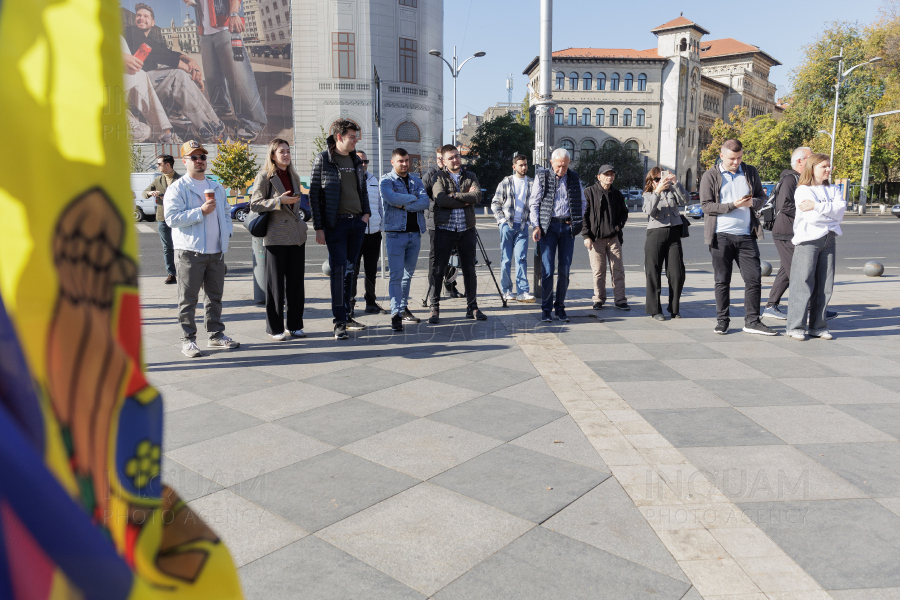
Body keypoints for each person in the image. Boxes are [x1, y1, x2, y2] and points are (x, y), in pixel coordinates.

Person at [163, 140, 239, 357]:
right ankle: (188, 340)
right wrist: (200, 212)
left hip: (216, 252)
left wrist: (226, 233)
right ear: (184, 161)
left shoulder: (216, 186)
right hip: (190, 252)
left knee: (214, 297)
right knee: (188, 299)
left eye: (202, 157)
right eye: (194, 157)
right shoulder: (177, 188)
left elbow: (225, 212)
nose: (199, 161)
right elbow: (171, 218)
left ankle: (215, 335)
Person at [699, 139, 776, 336]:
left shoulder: (750, 171)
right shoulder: (710, 175)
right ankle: (722, 321)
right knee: (722, 280)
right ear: (722, 155)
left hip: (746, 235)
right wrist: (733, 205)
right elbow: (706, 206)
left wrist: (753, 203)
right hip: (720, 235)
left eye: (740, 158)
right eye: (732, 158)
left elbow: (762, 197)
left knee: (754, 279)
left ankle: (752, 321)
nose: (736, 162)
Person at [123, 3, 226, 142]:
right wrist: (188, 69)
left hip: (144, 88)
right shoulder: (130, 32)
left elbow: (167, 52)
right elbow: (157, 54)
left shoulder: (150, 39)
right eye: (138, 15)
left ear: (153, 22)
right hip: (131, 89)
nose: (141, 18)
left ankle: (211, 130)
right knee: (178, 76)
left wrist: (188, 59)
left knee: (178, 75)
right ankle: (214, 131)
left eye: (146, 16)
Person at [309, 120, 371, 340]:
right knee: (337, 272)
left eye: (356, 136)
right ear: (339, 137)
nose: (356, 140)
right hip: (335, 225)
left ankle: (347, 314)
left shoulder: (355, 159)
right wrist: (318, 227)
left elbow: (362, 188)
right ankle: (339, 322)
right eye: (353, 136)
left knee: (351, 271)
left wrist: (366, 214)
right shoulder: (324, 159)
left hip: (357, 223)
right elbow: (314, 195)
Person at [764, 147, 839, 323]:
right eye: (811, 158)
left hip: (794, 231)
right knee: (800, 274)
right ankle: (813, 310)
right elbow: (784, 205)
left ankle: (770, 306)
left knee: (786, 269)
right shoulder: (791, 179)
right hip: (785, 231)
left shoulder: (803, 180)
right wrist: (808, 213)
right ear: (800, 162)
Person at [184, 0, 267, 141]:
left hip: (226, 27)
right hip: (205, 32)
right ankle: (222, 108)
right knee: (211, 76)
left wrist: (234, 13)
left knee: (238, 76)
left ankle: (252, 123)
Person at [250, 138, 308, 340]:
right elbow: (255, 204)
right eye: (281, 151)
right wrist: (278, 201)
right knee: (275, 285)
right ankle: (275, 328)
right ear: (273, 155)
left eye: (288, 151)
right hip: (275, 236)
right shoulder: (265, 177)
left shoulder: (294, 176)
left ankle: (295, 325)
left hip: (295, 235)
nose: (286, 154)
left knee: (296, 283)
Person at [785, 154, 845, 341]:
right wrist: (829, 211)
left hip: (829, 239)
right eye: (824, 166)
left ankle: (818, 326)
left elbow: (840, 211)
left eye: (829, 166)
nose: (828, 169)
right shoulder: (803, 190)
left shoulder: (834, 189)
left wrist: (817, 206)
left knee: (825, 284)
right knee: (802, 283)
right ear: (812, 168)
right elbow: (813, 218)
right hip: (808, 240)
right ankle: (795, 327)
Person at [429, 145, 485, 323]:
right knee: (439, 269)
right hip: (445, 229)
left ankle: (472, 307)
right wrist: (464, 199)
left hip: (466, 229)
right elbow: (440, 199)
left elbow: (477, 197)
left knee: (469, 270)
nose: (455, 160)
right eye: (451, 158)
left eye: (457, 156)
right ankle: (435, 308)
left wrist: (454, 196)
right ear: (444, 161)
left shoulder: (470, 176)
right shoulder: (438, 177)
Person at [529, 147, 586, 323]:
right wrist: (536, 226)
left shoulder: (574, 177)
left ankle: (560, 307)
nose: (562, 170)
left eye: (565, 166)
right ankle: (546, 309)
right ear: (551, 162)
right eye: (559, 166)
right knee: (547, 270)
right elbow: (534, 203)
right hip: (548, 227)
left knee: (565, 270)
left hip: (567, 228)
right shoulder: (542, 176)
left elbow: (583, 202)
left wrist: (577, 218)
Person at [380, 148, 430, 331]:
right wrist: (413, 198)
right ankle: (395, 314)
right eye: (401, 161)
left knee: (408, 276)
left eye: (407, 161)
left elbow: (425, 202)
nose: (405, 164)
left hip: (415, 234)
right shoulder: (386, 180)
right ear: (393, 162)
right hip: (395, 234)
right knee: (396, 276)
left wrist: (405, 205)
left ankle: (402, 308)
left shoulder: (416, 180)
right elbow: (391, 198)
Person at [642, 166, 688, 320]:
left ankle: (674, 308)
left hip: (674, 233)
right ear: (652, 181)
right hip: (655, 234)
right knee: (653, 272)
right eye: (657, 179)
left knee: (677, 273)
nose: (661, 181)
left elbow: (686, 200)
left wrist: (675, 183)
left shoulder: (673, 191)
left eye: (664, 178)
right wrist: (657, 191)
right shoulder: (648, 194)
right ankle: (655, 310)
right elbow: (649, 210)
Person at [583, 164, 629, 311]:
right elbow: (583, 216)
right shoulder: (589, 192)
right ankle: (599, 299)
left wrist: (618, 227)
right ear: (599, 177)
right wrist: (586, 235)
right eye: (606, 174)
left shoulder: (617, 194)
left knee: (618, 270)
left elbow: (624, 213)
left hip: (613, 238)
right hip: (595, 239)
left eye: (612, 174)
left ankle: (620, 300)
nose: (609, 177)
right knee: (598, 271)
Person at [491, 154, 535, 303]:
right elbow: (495, 203)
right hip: (507, 225)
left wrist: (530, 222)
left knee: (521, 258)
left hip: (522, 226)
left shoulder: (531, 183)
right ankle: (507, 290)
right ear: (514, 166)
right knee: (506, 260)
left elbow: (534, 205)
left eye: (526, 164)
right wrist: (501, 220)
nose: (524, 167)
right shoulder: (506, 182)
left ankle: (523, 291)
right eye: (521, 165)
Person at [423, 147, 463, 300]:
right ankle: (433, 290)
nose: (442, 161)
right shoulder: (430, 175)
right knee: (436, 257)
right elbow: (425, 198)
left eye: (443, 158)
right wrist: (443, 200)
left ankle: (451, 286)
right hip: (435, 221)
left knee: (454, 256)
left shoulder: (451, 174)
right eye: (439, 158)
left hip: (453, 220)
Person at [350, 150, 387, 316]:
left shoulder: (373, 179)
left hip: (374, 233)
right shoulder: (349, 180)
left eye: (366, 161)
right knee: (353, 270)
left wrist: (381, 225)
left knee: (371, 269)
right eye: (360, 161)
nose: (363, 164)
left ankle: (370, 302)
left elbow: (380, 204)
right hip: (356, 233)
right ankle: (349, 304)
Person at [143, 155, 181, 284]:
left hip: (178, 217)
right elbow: (145, 192)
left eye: (159, 164)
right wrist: (150, 193)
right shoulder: (158, 180)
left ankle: (184, 272)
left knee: (181, 246)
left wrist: (168, 198)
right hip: (162, 218)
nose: (158, 166)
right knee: (167, 247)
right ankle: (171, 273)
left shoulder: (181, 179)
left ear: (167, 165)